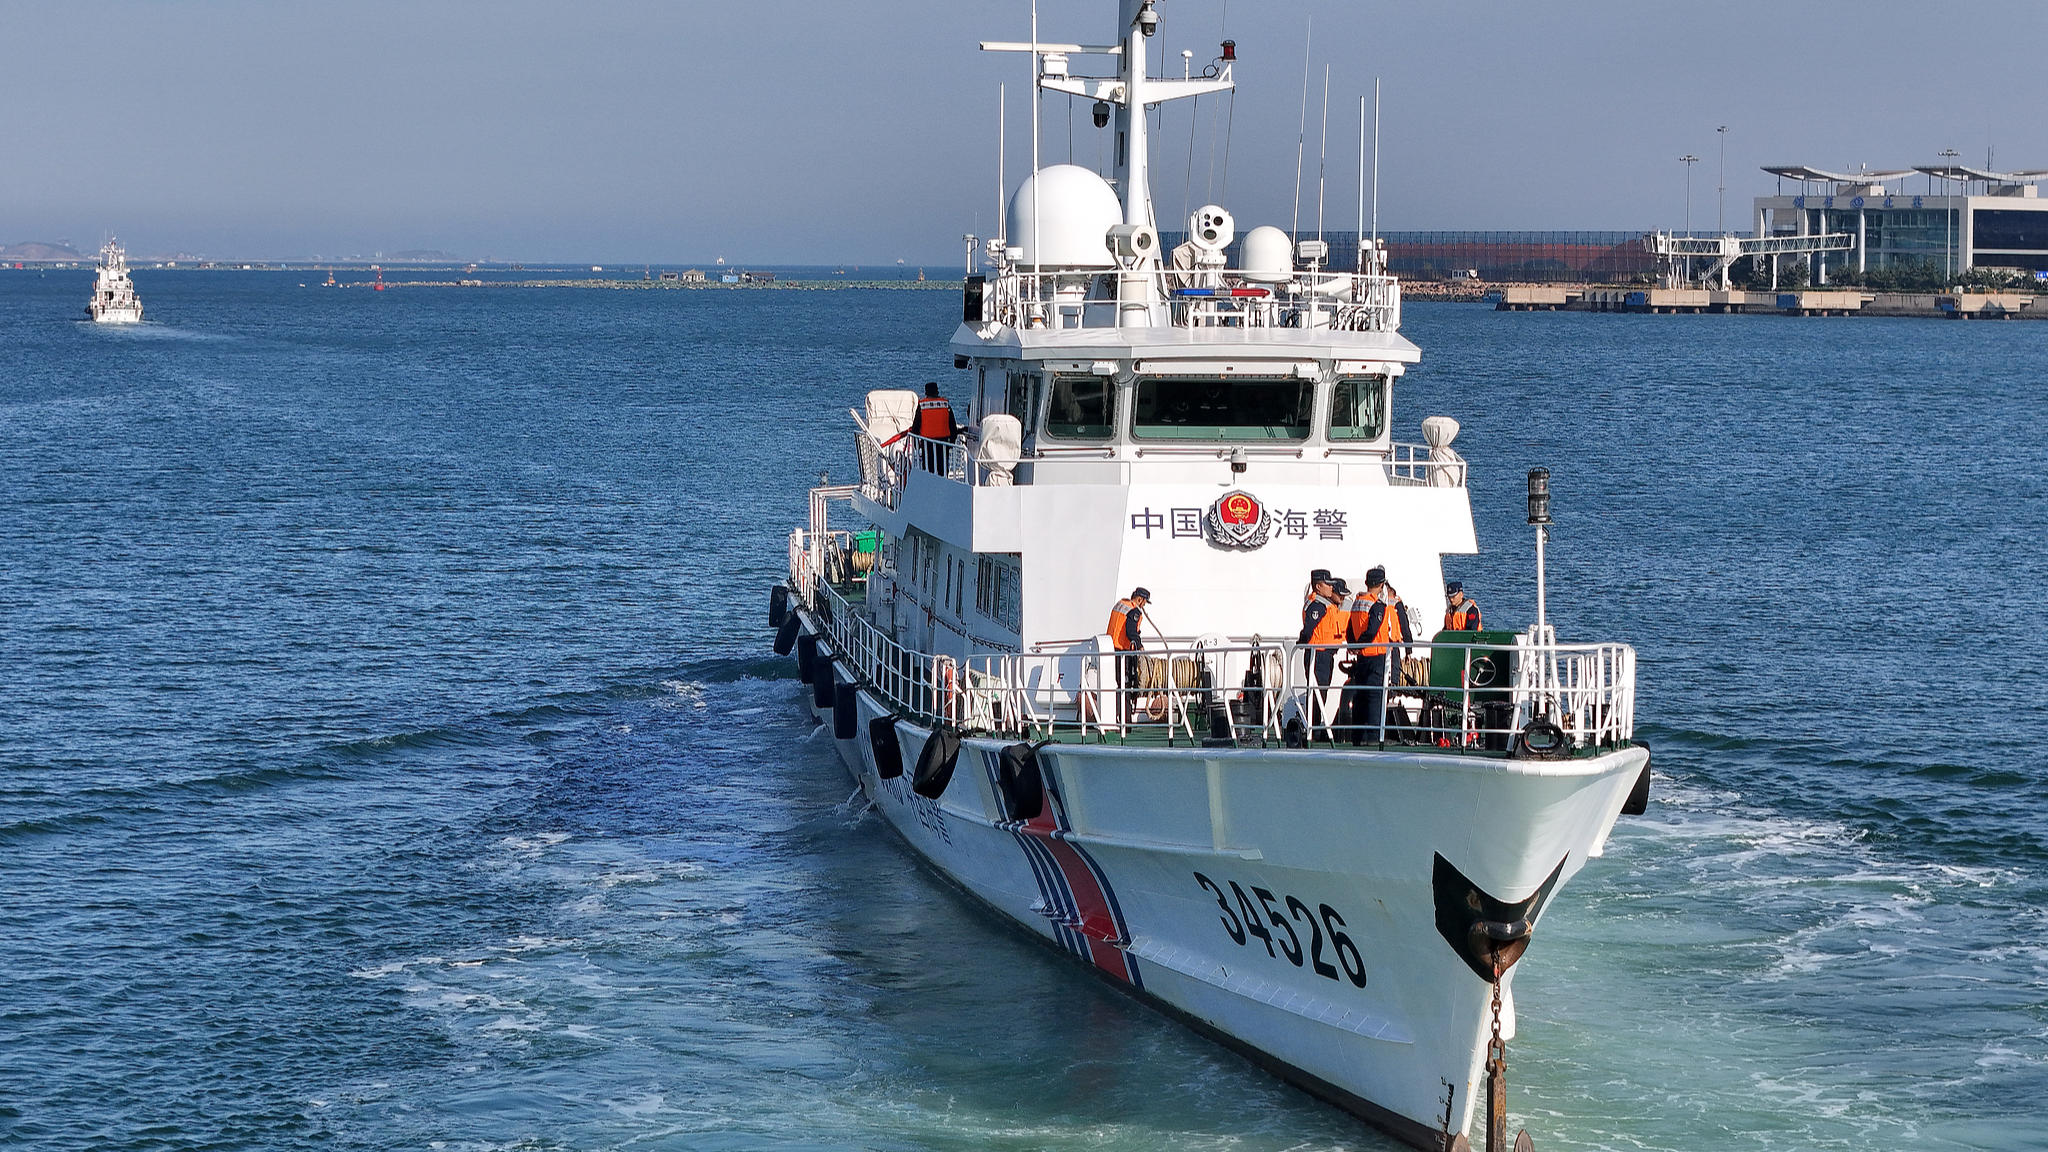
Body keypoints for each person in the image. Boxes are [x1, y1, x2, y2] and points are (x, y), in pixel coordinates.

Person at [1342, 567, 1414, 745]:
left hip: (1362, 658)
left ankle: (1357, 737)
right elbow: (1372, 630)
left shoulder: (1358, 602)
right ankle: (1373, 738)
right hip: (1377, 656)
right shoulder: (1377, 606)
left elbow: (1350, 629)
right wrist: (1361, 644)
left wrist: (1354, 646)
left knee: (1360, 696)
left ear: (1367, 583)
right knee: (1375, 697)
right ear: (1381, 585)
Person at [1298, 570, 1347, 740]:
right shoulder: (1317, 606)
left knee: (1321, 692)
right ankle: (1312, 729)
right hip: (1318, 655)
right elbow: (1308, 630)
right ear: (1318, 586)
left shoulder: (1324, 605)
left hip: (1324, 655)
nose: (1331, 587)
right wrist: (1303, 642)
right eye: (1328, 584)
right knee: (1317, 692)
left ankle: (1315, 727)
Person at [1107, 588, 1151, 717]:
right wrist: (1139, 646)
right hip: (1122, 652)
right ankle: (1125, 720)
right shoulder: (1134, 611)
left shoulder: (1120, 604)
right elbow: (1131, 632)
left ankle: (1116, 716)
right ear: (1139, 599)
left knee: (1117, 684)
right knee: (1125, 685)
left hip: (1111, 649)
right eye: (1144, 602)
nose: (1144, 605)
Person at [913, 382, 958, 472]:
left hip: (927, 443)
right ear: (937, 391)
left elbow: (916, 427)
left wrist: (916, 444)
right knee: (943, 468)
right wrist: (952, 442)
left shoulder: (922, 406)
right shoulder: (945, 405)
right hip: (943, 443)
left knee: (929, 469)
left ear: (926, 393)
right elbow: (953, 426)